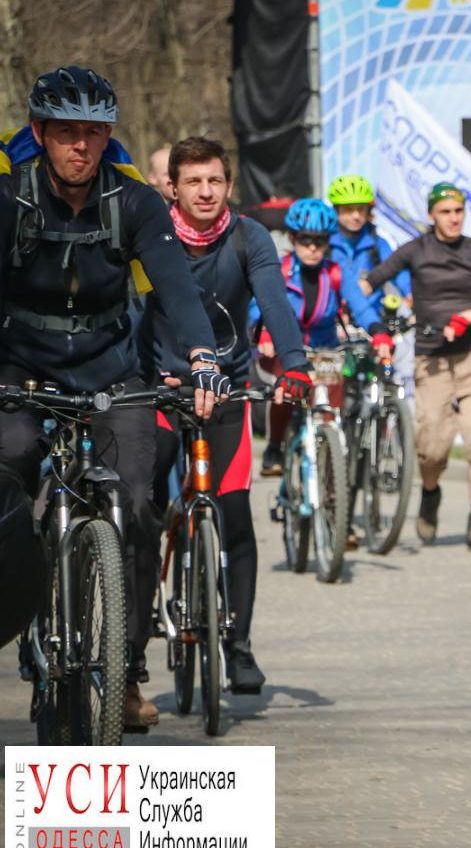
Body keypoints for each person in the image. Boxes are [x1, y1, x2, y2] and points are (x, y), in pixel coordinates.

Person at [0, 67, 229, 730]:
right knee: (8, 461)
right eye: (67, 133)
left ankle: (124, 668)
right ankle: (20, 610)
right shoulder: (10, 198)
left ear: (108, 138)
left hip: (110, 373)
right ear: (39, 134)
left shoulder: (135, 202)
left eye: (94, 134)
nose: (81, 147)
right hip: (22, 369)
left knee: (135, 494)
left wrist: (203, 355)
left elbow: (176, 289)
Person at [145, 136, 311, 693]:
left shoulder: (249, 237)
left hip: (229, 391)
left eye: (215, 180)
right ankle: (132, 632)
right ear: (172, 186)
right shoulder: (151, 234)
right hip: (163, 389)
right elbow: (129, 311)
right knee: (142, 509)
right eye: (193, 181)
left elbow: (275, 301)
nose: (206, 191)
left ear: (229, 185)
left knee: (235, 515)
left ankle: (238, 645)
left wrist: (294, 366)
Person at [365, 182, 471, 551]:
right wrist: (362, 310)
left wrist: (468, 317)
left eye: (458, 211)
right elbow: (371, 280)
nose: (453, 218)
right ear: (431, 215)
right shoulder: (416, 250)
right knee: (432, 446)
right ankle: (430, 493)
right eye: (445, 212)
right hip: (431, 359)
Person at [256, 198, 392, 474]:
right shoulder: (278, 270)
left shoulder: (336, 273)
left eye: (320, 241)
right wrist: (265, 333)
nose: (313, 248)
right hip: (286, 349)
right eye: (306, 240)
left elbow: (360, 306)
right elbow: (257, 306)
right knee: (285, 392)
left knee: (330, 411)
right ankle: (274, 446)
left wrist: (378, 331)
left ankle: (332, 480)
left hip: (324, 350)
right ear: (293, 238)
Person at [326, 174, 414, 401]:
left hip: (370, 321)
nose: (355, 216)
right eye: (348, 209)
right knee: (336, 384)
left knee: (387, 374)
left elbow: (397, 269)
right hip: (336, 322)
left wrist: (410, 293)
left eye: (361, 209)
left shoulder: (377, 242)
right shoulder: (325, 243)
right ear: (336, 210)